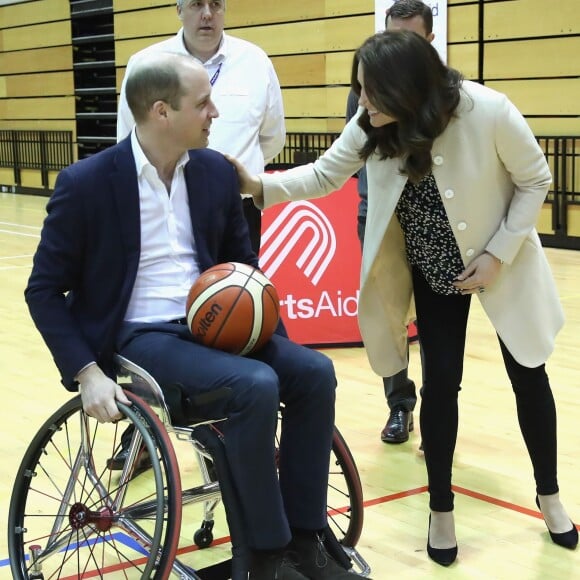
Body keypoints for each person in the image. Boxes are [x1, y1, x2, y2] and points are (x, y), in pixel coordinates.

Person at [229, 30, 578, 566]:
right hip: (432, 270)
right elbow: (325, 174)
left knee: (529, 374)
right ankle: (441, 507)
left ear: (406, 89)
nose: (361, 102)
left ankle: (550, 495)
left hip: (500, 260)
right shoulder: (373, 126)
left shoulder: (487, 110)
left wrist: (499, 252)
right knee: (440, 385)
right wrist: (257, 186)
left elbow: (536, 179)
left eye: (370, 91)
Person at [25, 53, 355, 580]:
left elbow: (243, 266)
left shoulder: (214, 173)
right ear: (161, 112)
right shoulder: (85, 183)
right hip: (141, 334)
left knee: (313, 372)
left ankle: (306, 539)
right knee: (254, 386)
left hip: (214, 320)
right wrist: (87, 372)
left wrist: (269, 331)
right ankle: (265, 555)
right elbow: (42, 290)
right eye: (202, 103)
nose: (214, 113)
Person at [117, 0, 285, 254]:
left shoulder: (255, 61)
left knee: (239, 292)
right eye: (197, 4)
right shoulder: (145, 64)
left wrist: (229, 175)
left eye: (215, 4)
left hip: (237, 210)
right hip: (165, 211)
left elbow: (272, 138)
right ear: (179, 10)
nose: (207, 14)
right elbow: (129, 138)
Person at [345, 0, 435, 445]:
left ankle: (439, 414)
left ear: (430, 43)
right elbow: (347, 155)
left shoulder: (447, 93)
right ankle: (400, 406)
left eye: (409, 40)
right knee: (387, 317)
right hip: (379, 218)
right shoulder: (366, 89)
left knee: (438, 324)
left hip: (435, 226)